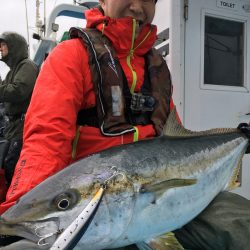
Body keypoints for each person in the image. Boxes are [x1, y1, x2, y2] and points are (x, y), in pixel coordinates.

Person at [0, 1, 250, 249]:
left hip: (165, 194)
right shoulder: (71, 55)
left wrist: (239, 138)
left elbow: (175, 138)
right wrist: (21, 208)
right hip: (98, 203)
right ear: (103, 0)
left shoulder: (157, 67)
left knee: (242, 225)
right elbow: (46, 141)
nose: (137, 7)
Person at [0, 32, 39, 194]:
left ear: (13, 47)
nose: (0, 49)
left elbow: (18, 91)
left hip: (22, 126)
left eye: (3, 45)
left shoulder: (27, 66)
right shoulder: (12, 71)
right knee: (5, 164)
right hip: (12, 126)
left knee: (12, 165)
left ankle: (15, 200)